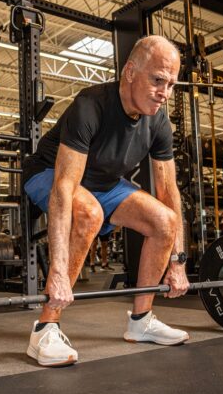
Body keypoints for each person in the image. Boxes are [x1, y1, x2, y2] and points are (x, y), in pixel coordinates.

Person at [22, 35, 190, 367]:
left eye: (171, 84)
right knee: (88, 213)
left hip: (106, 183)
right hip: (49, 174)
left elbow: (169, 192)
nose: (165, 93)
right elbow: (63, 189)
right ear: (130, 72)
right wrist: (56, 270)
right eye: (158, 80)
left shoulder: (158, 120)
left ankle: (141, 321)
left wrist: (178, 261)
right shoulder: (91, 106)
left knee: (164, 221)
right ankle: (45, 328)